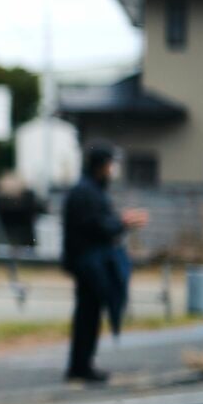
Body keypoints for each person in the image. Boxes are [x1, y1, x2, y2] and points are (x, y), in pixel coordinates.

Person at [60, 142, 148, 383]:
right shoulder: (87, 192)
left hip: (87, 262)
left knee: (89, 314)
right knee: (88, 315)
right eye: (111, 164)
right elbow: (99, 227)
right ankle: (80, 366)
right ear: (102, 166)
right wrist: (124, 223)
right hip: (89, 263)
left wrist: (120, 222)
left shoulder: (88, 189)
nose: (113, 169)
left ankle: (81, 364)